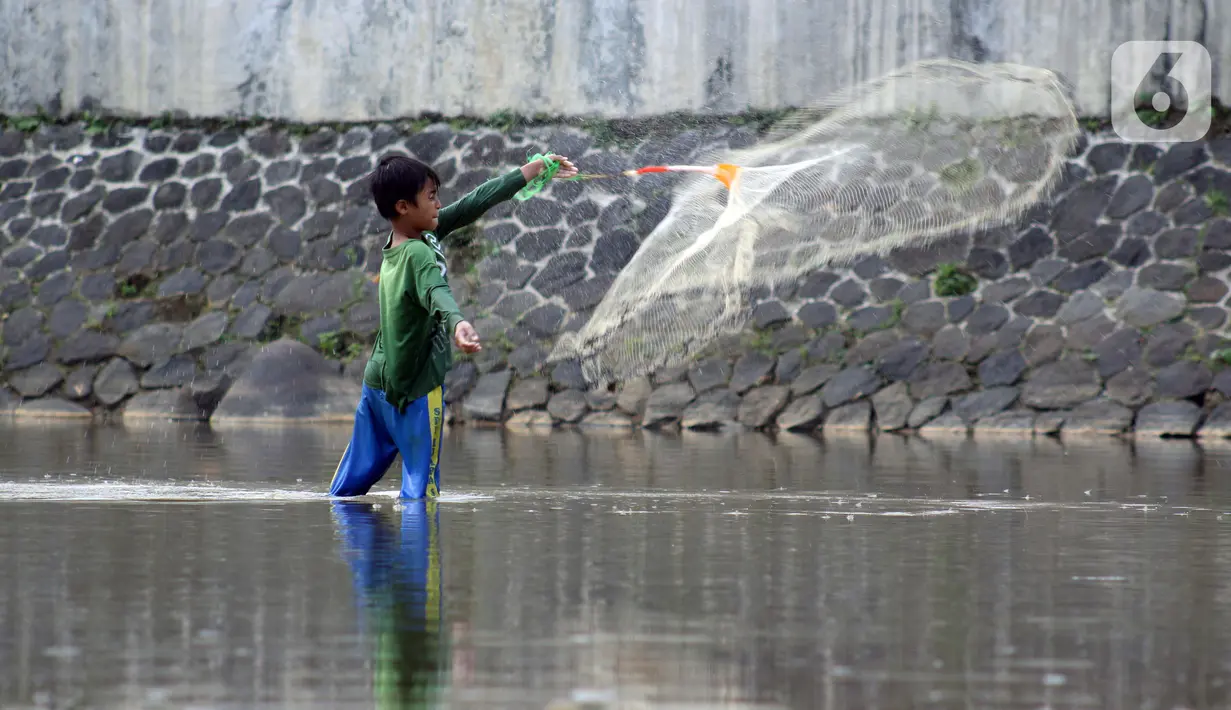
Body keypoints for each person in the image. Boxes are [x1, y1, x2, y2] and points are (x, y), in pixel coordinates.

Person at [330, 152, 577, 500]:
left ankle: (359, 549)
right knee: (421, 492)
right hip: (416, 388)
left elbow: (474, 202)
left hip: (378, 384)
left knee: (346, 490)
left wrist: (535, 169)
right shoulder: (419, 253)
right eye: (430, 197)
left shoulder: (411, 239)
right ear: (403, 206)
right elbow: (436, 290)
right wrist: (458, 322)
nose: (438, 204)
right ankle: (420, 551)